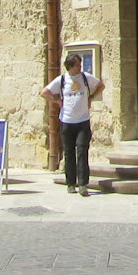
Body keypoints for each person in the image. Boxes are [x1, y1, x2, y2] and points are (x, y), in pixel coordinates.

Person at [39, 54, 105, 196]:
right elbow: (44, 92)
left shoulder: (85, 77)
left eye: (80, 65)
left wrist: (91, 97)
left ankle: (82, 184)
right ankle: (70, 183)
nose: (80, 67)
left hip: (83, 121)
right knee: (69, 153)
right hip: (67, 121)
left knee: (82, 151)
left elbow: (101, 85)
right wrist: (56, 101)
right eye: (77, 65)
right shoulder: (62, 80)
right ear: (70, 66)